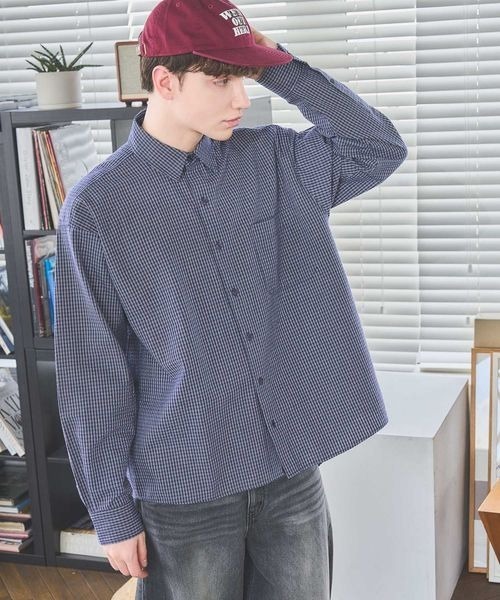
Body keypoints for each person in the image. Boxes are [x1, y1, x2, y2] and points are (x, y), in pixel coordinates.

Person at [54, 0, 408, 598]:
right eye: (221, 80)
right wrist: (111, 512)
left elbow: (378, 146)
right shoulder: (98, 208)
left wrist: (274, 64)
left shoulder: (275, 160)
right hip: (185, 486)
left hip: (289, 474)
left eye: (243, 78)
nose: (241, 98)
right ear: (165, 82)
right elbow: (92, 372)